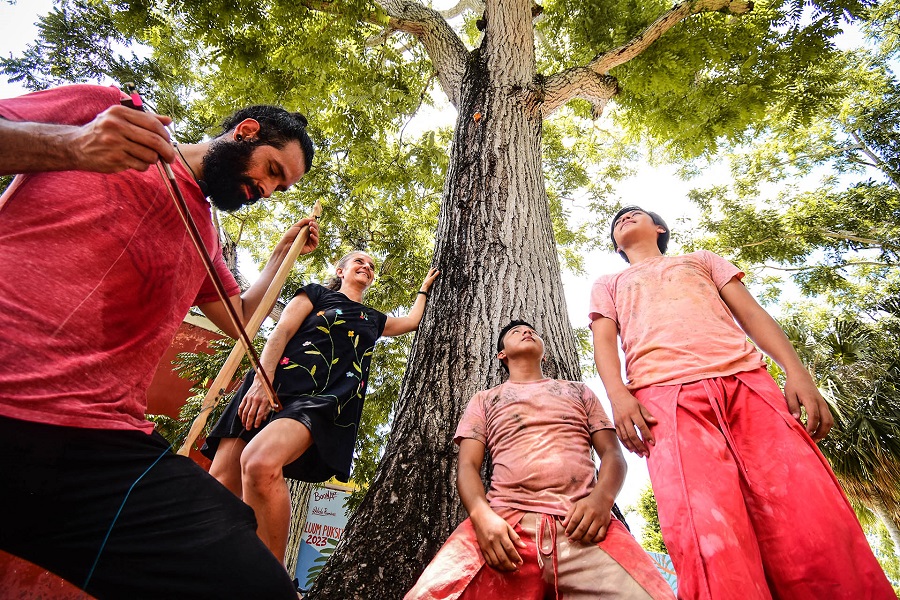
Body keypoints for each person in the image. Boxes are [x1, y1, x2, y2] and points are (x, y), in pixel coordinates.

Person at [0, 83, 321, 599]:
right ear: (246, 132)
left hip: (100, 451)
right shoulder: (114, 114)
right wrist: (73, 146)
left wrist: (280, 257)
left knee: (255, 587)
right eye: (271, 170)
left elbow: (240, 317)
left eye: (278, 189)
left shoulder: (207, 237)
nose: (265, 189)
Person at [589, 206, 895, 599]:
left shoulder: (701, 261)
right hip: (664, 398)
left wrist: (796, 372)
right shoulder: (608, 283)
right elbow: (604, 343)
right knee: (706, 530)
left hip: (747, 383)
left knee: (808, 510)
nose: (624, 218)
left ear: (661, 228)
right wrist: (619, 396)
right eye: (618, 221)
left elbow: (751, 314)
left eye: (635, 213)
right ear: (616, 243)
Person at [406, 320, 676, 600]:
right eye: (515, 332)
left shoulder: (579, 391)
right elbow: (467, 466)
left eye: (532, 331)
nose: (527, 331)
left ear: (544, 353)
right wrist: (482, 516)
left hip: (583, 525)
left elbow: (612, 454)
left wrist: (602, 499)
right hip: (505, 528)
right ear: (502, 355)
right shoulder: (484, 400)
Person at [204, 251, 440, 564]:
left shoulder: (373, 318)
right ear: (340, 270)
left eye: (371, 266)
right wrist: (262, 380)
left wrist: (424, 288)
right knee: (220, 488)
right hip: (270, 384)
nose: (366, 267)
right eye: (359, 261)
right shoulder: (316, 293)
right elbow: (282, 331)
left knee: (260, 464)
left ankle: (272, 582)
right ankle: (219, 570)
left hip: (320, 402)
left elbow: (412, 321)